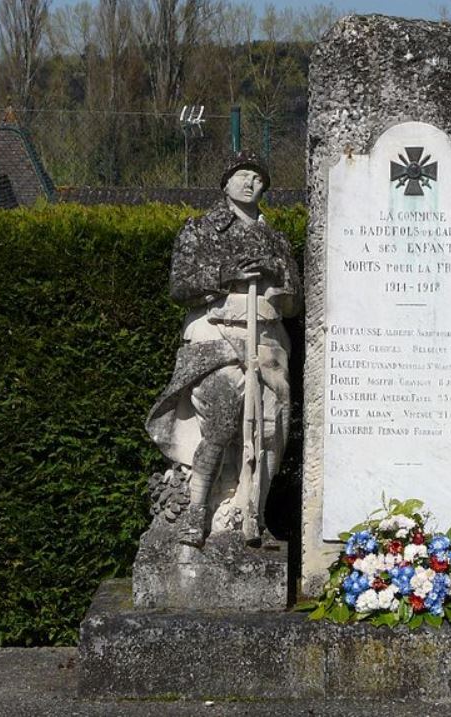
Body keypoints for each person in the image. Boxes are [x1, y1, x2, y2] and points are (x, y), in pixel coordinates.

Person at [146, 152, 301, 548]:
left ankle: (255, 514)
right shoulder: (202, 230)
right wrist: (227, 275)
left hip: (266, 341)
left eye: (258, 177)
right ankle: (197, 511)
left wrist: (279, 291)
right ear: (226, 182)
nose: (251, 183)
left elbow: (295, 301)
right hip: (217, 337)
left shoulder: (276, 239)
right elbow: (180, 287)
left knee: (270, 430)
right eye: (242, 175)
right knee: (222, 421)